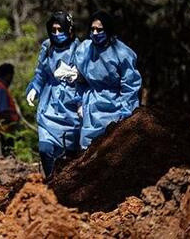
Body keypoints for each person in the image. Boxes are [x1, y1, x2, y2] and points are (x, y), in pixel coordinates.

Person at [71, 11, 141, 150]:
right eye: (92, 29)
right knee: (88, 149)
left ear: (108, 30)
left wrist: (127, 111)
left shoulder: (121, 53)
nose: (95, 33)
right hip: (92, 106)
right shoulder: (84, 49)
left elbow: (130, 85)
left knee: (113, 149)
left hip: (116, 106)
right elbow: (81, 81)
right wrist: (79, 101)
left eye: (100, 29)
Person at [26, 12, 82, 177]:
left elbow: (87, 75)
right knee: (45, 148)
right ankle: (50, 180)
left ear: (69, 29)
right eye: (53, 30)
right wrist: (34, 88)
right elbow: (41, 73)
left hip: (72, 104)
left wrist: (77, 78)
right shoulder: (47, 46)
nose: (57, 34)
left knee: (71, 153)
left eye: (60, 29)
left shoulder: (79, 48)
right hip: (50, 103)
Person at [0, 63, 19, 156]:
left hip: (2, 130)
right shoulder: (0, 89)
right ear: (8, 75)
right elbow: (2, 111)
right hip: (3, 131)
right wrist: (13, 121)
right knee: (7, 154)